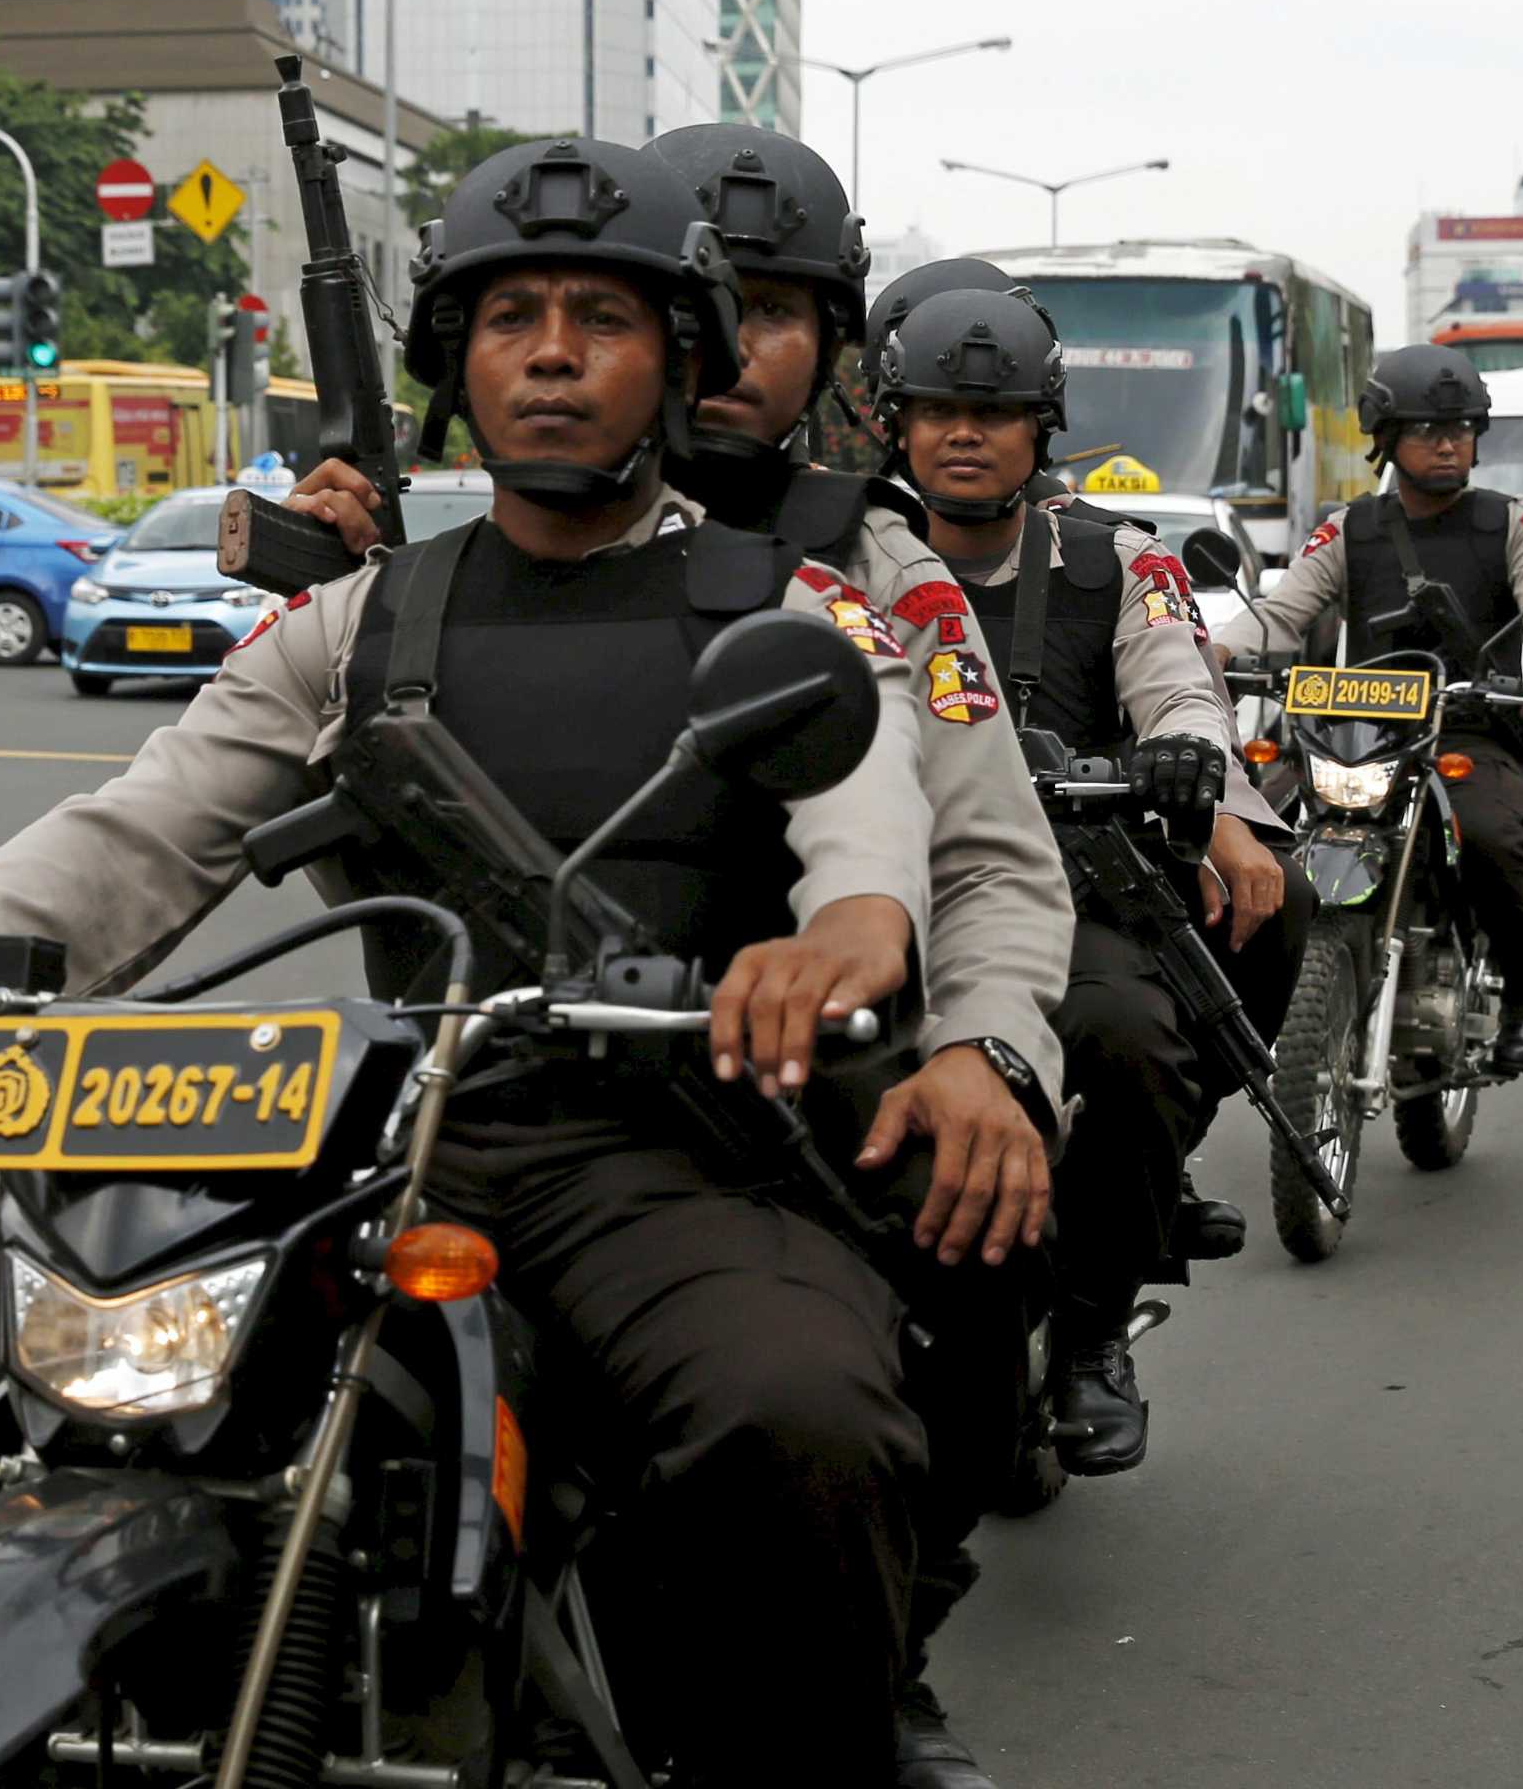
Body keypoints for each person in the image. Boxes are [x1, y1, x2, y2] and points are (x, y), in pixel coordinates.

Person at [0, 137, 1048, 1786]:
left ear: (683, 361)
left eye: (601, 316)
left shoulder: (790, 594)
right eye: (510, 316)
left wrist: (851, 934)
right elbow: (150, 822)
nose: (554, 351)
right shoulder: (362, 618)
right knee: (15, 1374)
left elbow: (856, 794)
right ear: (456, 364)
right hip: (394, 1118)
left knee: (796, 1414)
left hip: (663, 1144)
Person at [292, 123, 1074, 1789]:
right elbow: (216, 786)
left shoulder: (863, 567)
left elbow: (971, 855)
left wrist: (977, 1044)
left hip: (765, 1081)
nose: (560, 356)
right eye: (518, 321)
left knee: (878, 1327)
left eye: (772, 309)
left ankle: (871, 1646)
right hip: (445, 1089)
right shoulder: (424, 569)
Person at [876, 282, 1312, 1480]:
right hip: (873, 887)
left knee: (1133, 1034)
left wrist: (1206, 786)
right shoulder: (848, 555)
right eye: (938, 410)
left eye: (995, 410)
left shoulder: (1115, 558)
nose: (964, 432)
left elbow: (1178, 684)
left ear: (1040, 428)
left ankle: (1090, 1322)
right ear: (892, 423)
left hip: (1067, 886)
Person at [1213, 341, 1523, 1074]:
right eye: (1424, 429)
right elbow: (1283, 610)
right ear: (1385, 438)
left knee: (1490, 838)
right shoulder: (1350, 528)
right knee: (1263, 829)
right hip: (1358, 732)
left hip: (1469, 729)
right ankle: (1246, 1007)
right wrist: (1210, 658)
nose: (1447, 443)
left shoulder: (1514, 521)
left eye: (1460, 428)